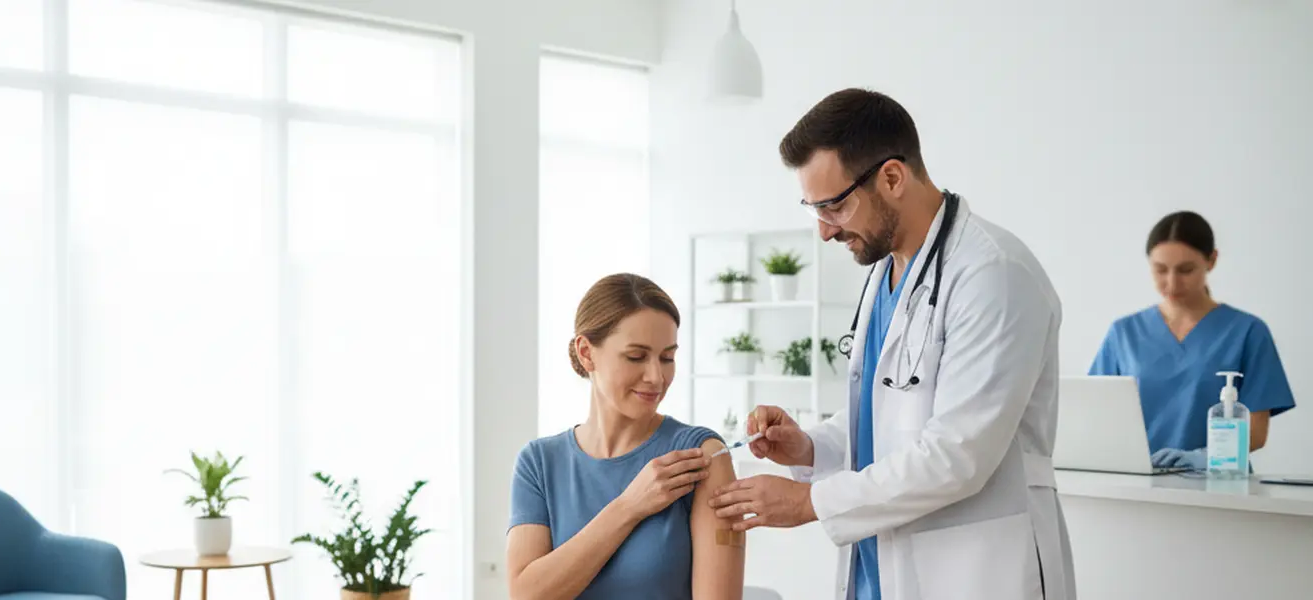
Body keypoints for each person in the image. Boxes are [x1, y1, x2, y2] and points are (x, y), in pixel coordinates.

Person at [706, 88, 1076, 600]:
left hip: (974, 571)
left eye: (833, 206)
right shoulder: (886, 268)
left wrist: (808, 503)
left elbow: (957, 455)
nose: (823, 231)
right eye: (812, 209)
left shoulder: (994, 274)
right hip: (880, 572)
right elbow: (893, 414)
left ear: (893, 177)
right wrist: (810, 446)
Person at [506, 273, 745, 600]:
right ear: (586, 352)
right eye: (636, 356)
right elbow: (525, 595)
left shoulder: (700, 457)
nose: (656, 377)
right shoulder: (539, 463)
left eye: (667, 358)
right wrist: (629, 507)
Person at [1088, 211, 1296, 470]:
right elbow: (1095, 419)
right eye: (1160, 270)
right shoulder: (1124, 333)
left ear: (1212, 260)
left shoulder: (1248, 332)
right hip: (1138, 484)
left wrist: (1204, 457)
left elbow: (1256, 432)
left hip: (1221, 482)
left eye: (1186, 270)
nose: (1172, 283)